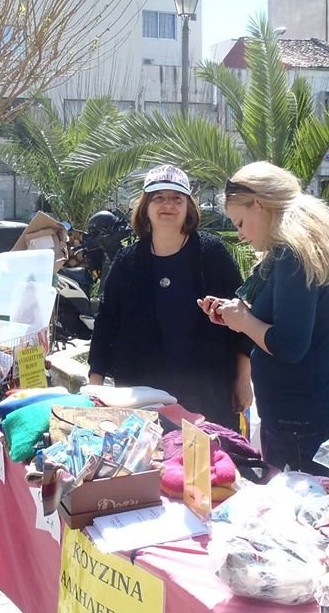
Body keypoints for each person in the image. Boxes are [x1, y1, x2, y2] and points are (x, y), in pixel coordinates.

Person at [199, 162, 329, 474]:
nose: (241, 235)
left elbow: (288, 345)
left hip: (301, 421)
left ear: (259, 205)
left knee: (301, 515)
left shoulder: (293, 256)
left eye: (241, 222)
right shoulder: (293, 253)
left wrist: (244, 322)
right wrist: (238, 315)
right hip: (303, 414)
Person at [88, 164, 252, 431]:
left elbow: (241, 319)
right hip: (142, 399)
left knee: (212, 467)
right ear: (145, 206)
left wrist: (242, 380)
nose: (168, 205)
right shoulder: (126, 261)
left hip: (208, 395)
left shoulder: (211, 254)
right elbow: (106, 325)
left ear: (189, 206)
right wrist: (94, 389)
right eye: (159, 197)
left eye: (177, 198)